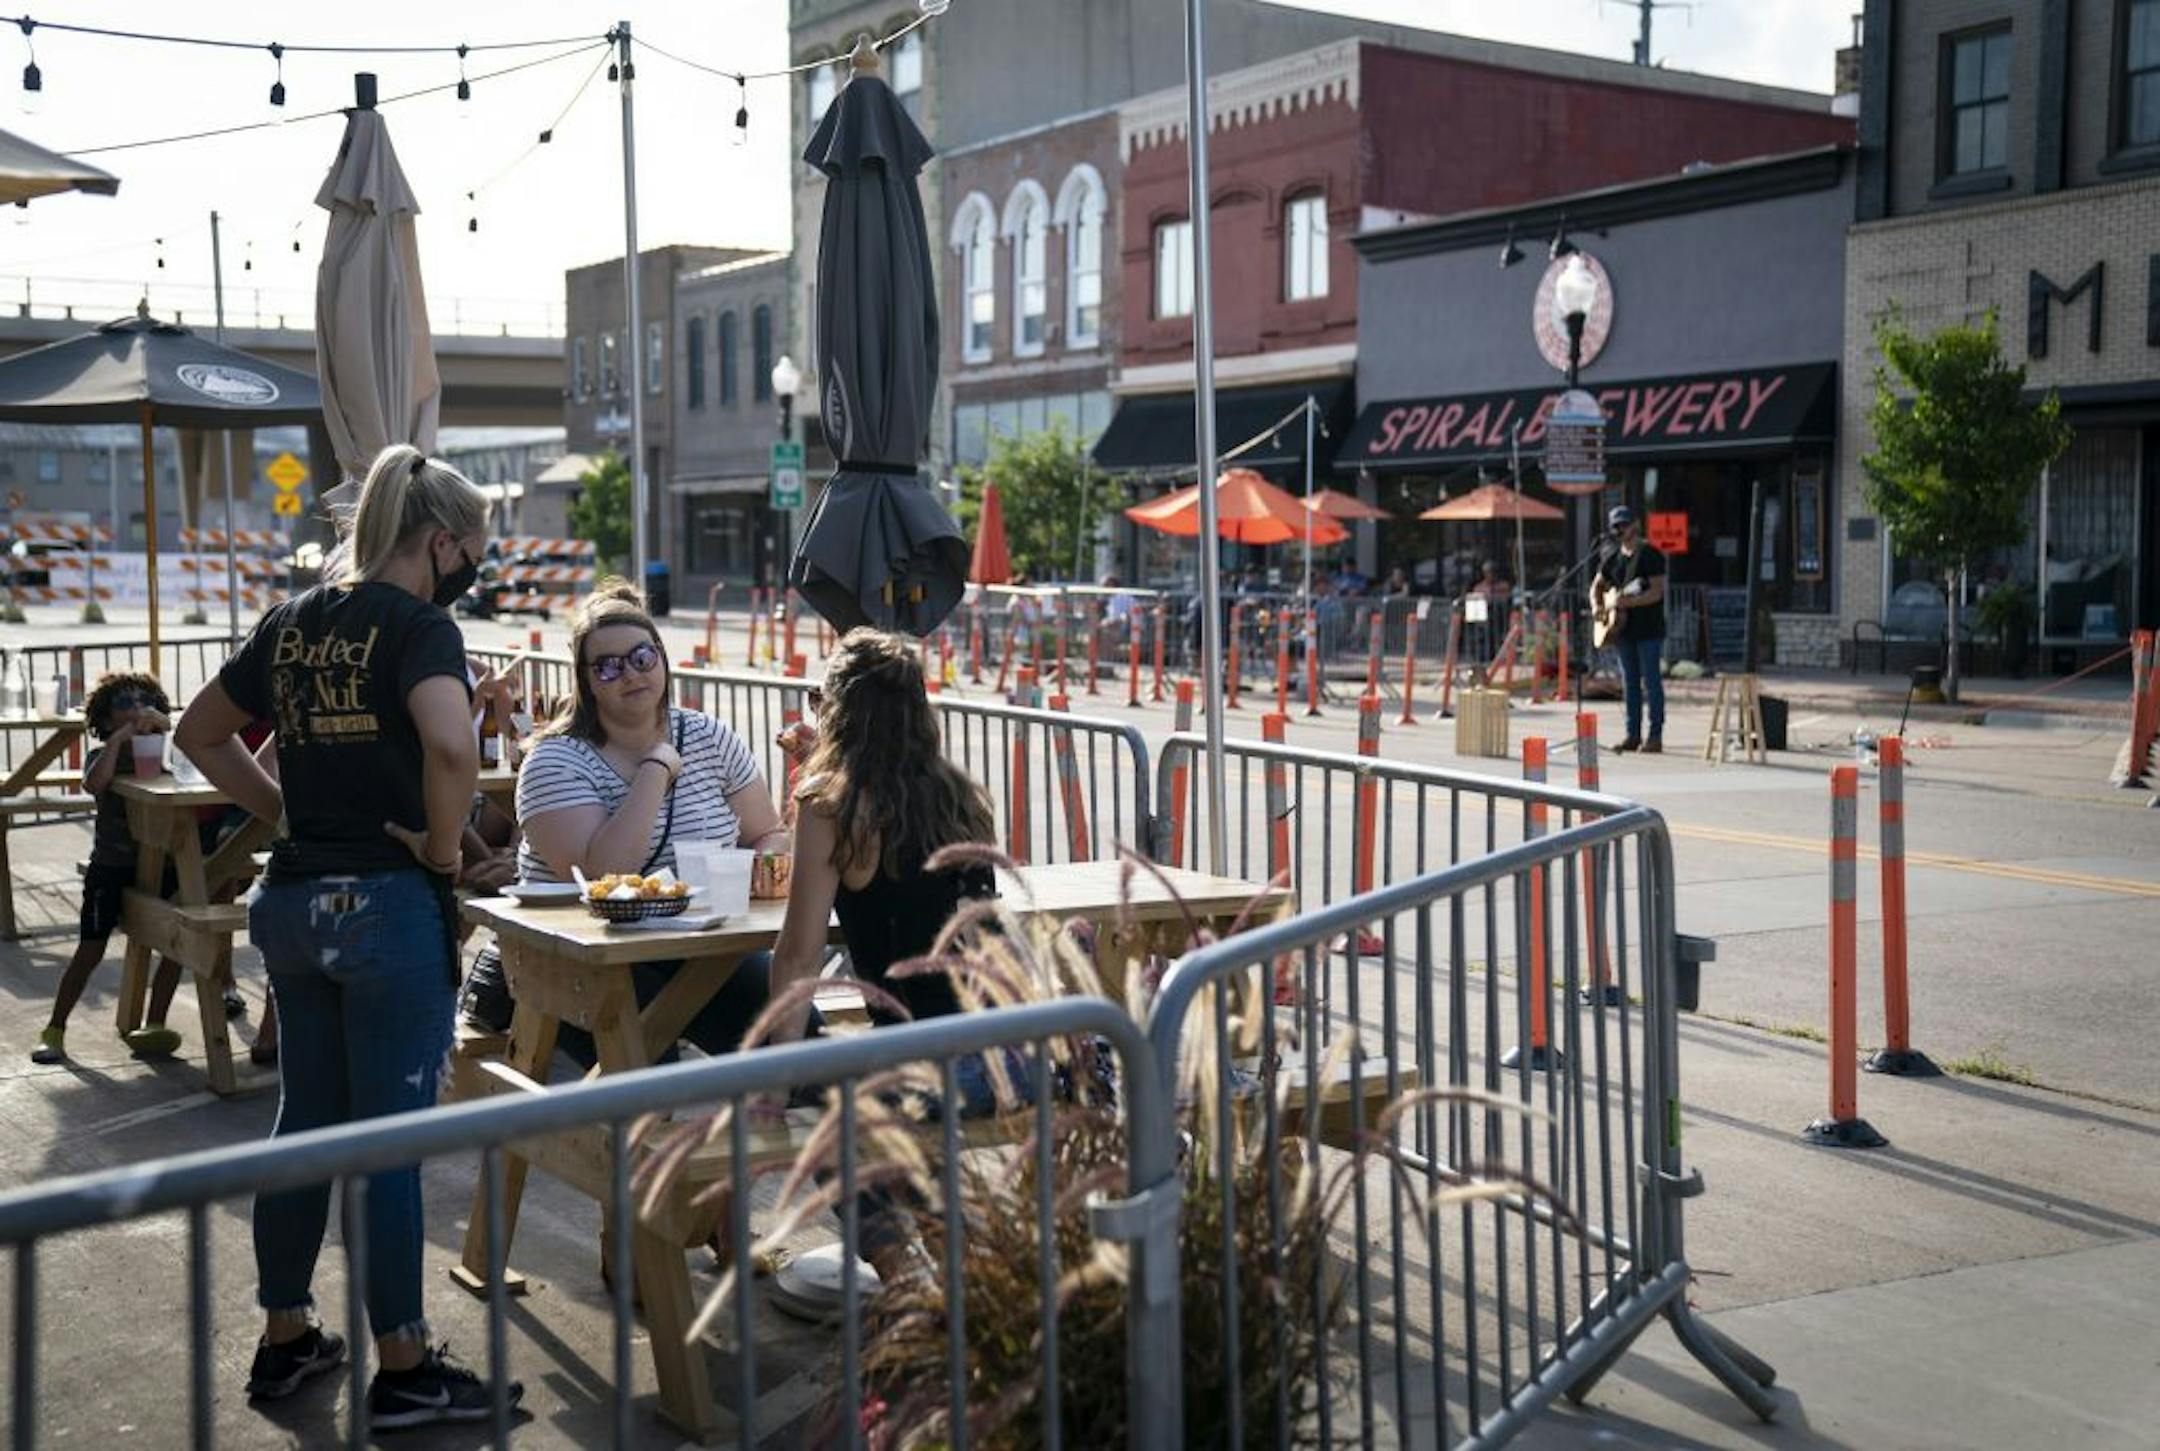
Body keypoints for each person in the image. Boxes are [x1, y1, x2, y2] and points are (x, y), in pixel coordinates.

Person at [176, 443, 520, 1426]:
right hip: (386, 906)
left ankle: (288, 1336)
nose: (473, 568)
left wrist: (283, 811)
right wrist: (447, 845)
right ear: (443, 541)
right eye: (474, 550)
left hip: (292, 904)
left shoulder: (291, 623)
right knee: (390, 1143)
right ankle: (404, 1364)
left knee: (305, 1121)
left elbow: (200, 731)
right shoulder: (418, 627)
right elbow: (452, 744)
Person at [457, 582, 793, 1058]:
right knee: (649, 1065)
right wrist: (656, 770)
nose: (630, 674)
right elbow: (604, 874)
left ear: (662, 657)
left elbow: (768, 832)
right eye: (608, 667)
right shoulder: (554, 760)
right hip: (570, 961)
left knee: (796, 1037)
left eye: (642, 657)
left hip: (702, 947)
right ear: (586, 682)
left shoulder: (709, 735)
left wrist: (762, 869)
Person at [764, 630, 1000, 1290]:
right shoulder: (962, 796)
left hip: (927, 1060)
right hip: (1008, 1049)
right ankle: (957, 1267)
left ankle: (903, 1278)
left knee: (819, 1111)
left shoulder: (832, 805)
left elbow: (798, 955)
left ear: (836, 712)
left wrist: (778, 1081)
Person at [29, 673, 191, 1064]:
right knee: (90, 949)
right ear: (104, 719)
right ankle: (55, 1028)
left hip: (160, 861)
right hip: (112, 865)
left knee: (177, 941)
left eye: (145, 701)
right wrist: (118, 742)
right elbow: (94, 783)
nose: (136, 708)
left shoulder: (166, 749)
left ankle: (153, 1023)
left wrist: (167, 729)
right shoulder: (103, 754)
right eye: (124, 704)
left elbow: (191, 764)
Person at [1593, 505, 1668, 753]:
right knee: (1630, 684)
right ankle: (1632, 734)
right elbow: (1597, 586)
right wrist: (1597, 607)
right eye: (1615, 526)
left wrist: (1627, 602)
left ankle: (1655, 736)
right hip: (1622, 630)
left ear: (1635, 524)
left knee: (1652, 683)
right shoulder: (1612, 557)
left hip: (1648, 629)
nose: (1620, 529)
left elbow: (1657, 592)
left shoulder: (1650, 554)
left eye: (1623, 524)